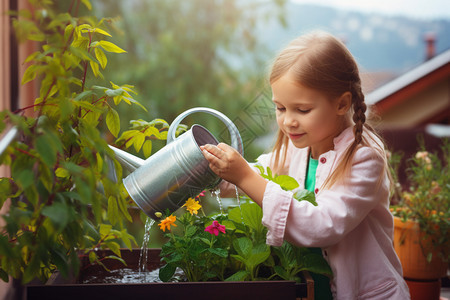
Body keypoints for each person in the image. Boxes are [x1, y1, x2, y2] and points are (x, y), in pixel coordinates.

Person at [201, 31, 410, 299]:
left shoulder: (364, 157)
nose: (288, 121)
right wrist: (216, 173)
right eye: (280, 108)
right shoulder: (298, 145)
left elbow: (323, 225)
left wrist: (242, 176)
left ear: (342, 103)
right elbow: (259, 173)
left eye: (302, 110)